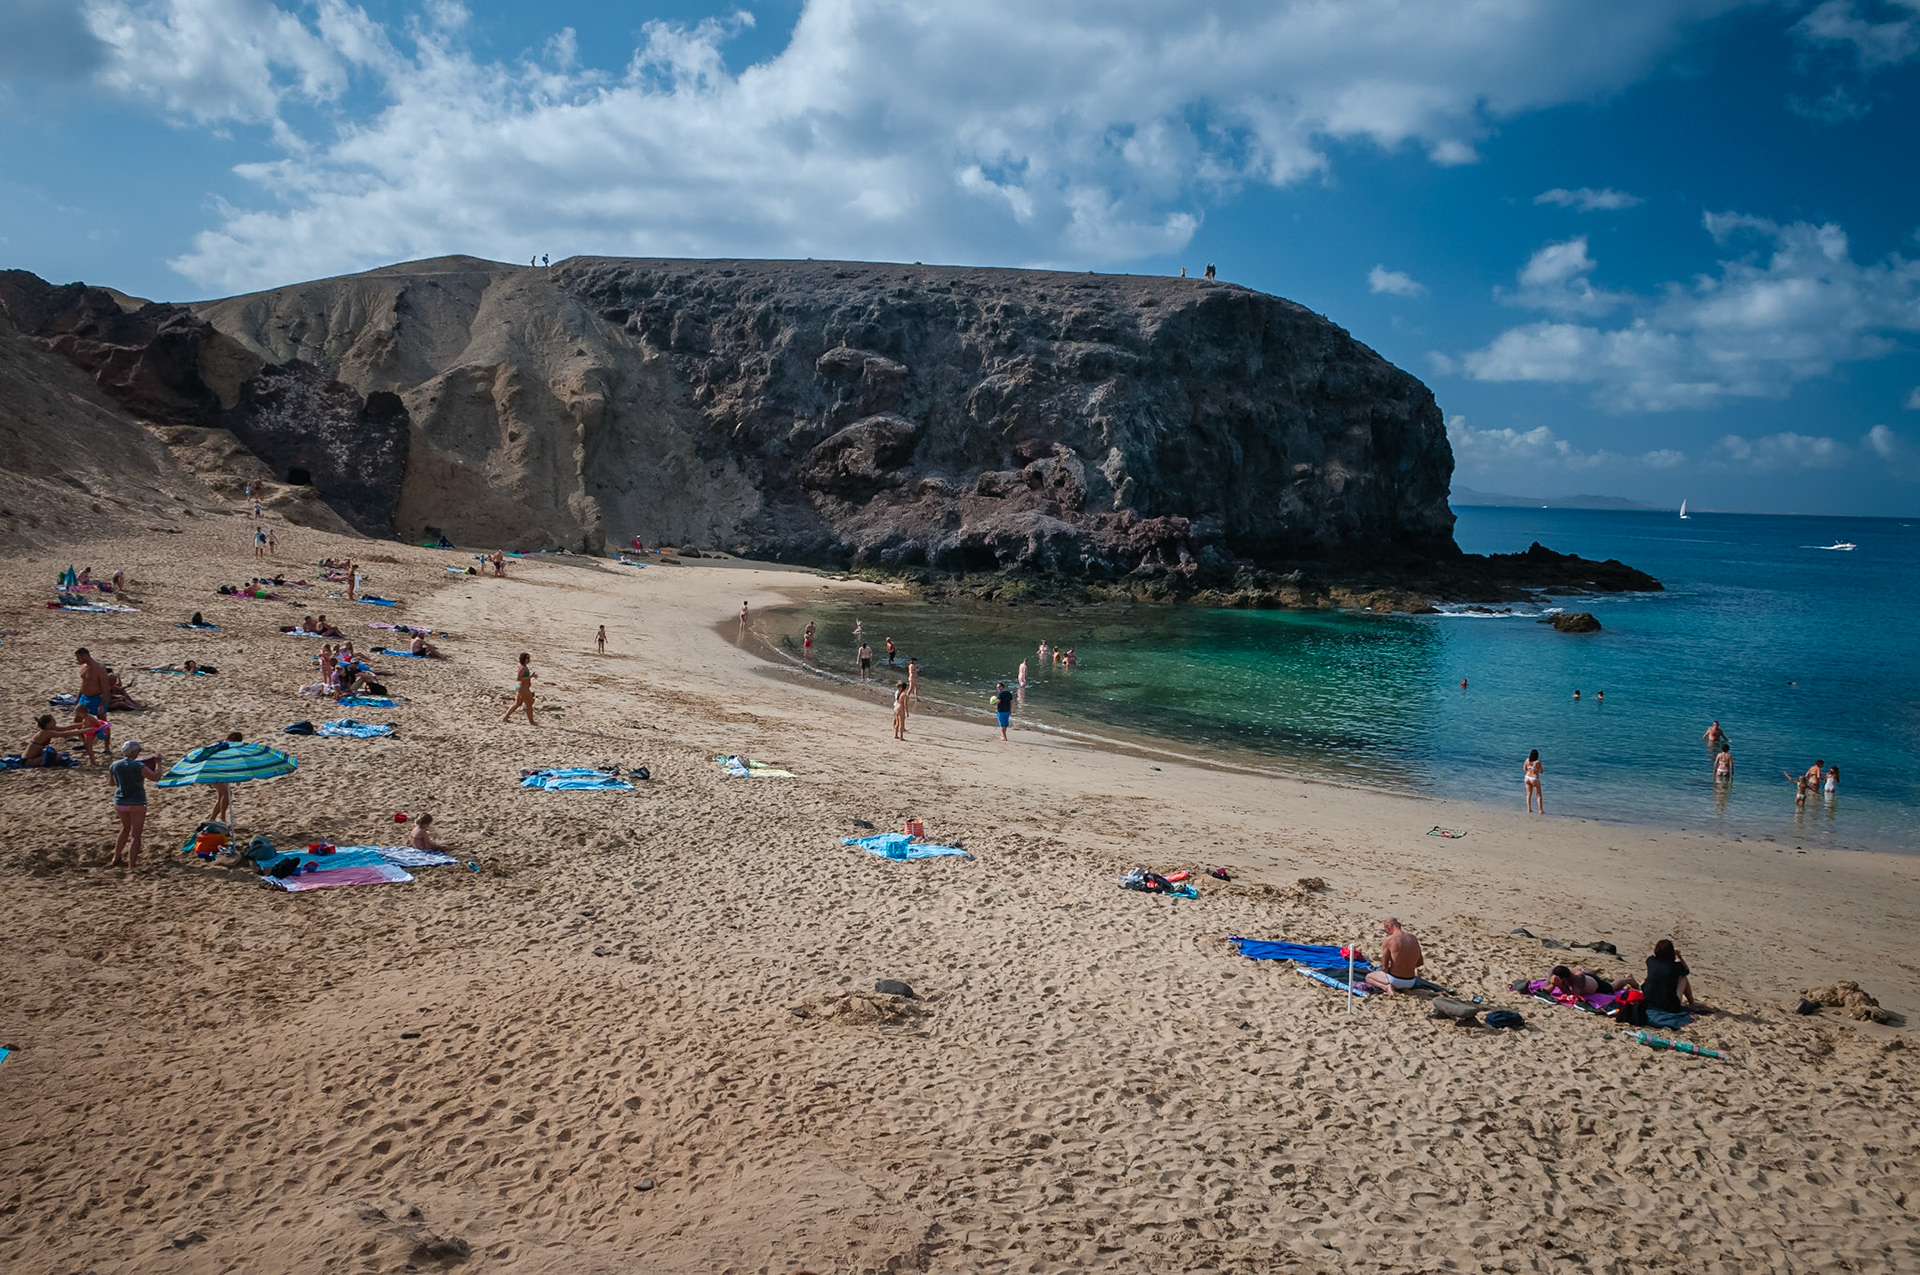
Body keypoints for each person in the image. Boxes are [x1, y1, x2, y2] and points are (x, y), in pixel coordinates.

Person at [108, 740, 163, 869]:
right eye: (138, 751)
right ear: (133, 752)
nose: (139, 753)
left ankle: (116, 857)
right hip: (137, 802)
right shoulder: (138, 766)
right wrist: (158, 764)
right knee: (135, 835)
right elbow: (156, 777)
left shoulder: (114, 765)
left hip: (120, 802)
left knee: (125, 829)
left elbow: (111, 783)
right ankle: (131, 865)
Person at [1363, 917, 1424, 993]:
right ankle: (1403, 988)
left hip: (1394, 979)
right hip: (1411, 981)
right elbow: (1420, 962)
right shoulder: (1413, 938)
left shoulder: (1389, 940)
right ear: (1399, 925)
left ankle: (1386, 987)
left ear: (1388, 927)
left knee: (1369, 977)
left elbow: (1384, 968)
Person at [1641, 939, 1695, 1015]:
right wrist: (1680, 957)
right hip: (1668, 1006)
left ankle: (1691, 1002)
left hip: (1648, 1000)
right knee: (1683, 978)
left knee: (1655, 977)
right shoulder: (1675, 966)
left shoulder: (1650, 960)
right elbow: (1686, 970)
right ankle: (1692, 1002)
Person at [207, 731, 243, 823]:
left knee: (222, 796)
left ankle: (212, 819)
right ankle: (222, 818)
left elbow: (233, 762)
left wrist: (237, 777)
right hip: (212, 772)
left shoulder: (230, 747)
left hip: (220, 772)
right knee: (227, 793)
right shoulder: (220, 746)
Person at [1547, 965, 1631, 997]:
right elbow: (1545, 989)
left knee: (1612, 987)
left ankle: (1628, 979)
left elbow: (1574, 995)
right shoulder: (1554, 971)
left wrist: (1560, 986)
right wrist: (1553, 984)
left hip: (1595, 984)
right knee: (1585, 974)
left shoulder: (1578, 979)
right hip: (1585, 976)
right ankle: (1594, 970)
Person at [503, 653, 537, 725]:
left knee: (517, 703)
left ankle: (505, 717)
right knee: (529, 704)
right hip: (523, 688)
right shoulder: (523, 668)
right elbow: (519, 678)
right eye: (527, 658)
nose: (529, 659)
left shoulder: (524, 667)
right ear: (524, 659)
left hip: (521, 687)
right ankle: (531, 722)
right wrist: (530, 677)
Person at [76, 648, 111, 717]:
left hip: (96, 698)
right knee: (78, 718)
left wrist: (102, 704)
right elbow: (84, 683)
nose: (77, 660)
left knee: (101, 719)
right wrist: (78, 697)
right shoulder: (84, 667)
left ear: (85, 656)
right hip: (84, 697)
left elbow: (105, 687)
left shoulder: (99, 669)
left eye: (78, 658)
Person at [1524, 748, 1544, 814]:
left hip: (1527, 777)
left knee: (1528, 794)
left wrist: (1530, 769)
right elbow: (1541, 771)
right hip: (1534, 779)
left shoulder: (1527, 760)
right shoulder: (1538, 762)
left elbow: (1524, 769)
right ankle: (1540, 810)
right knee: (1539, 795)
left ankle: (1529, 809)